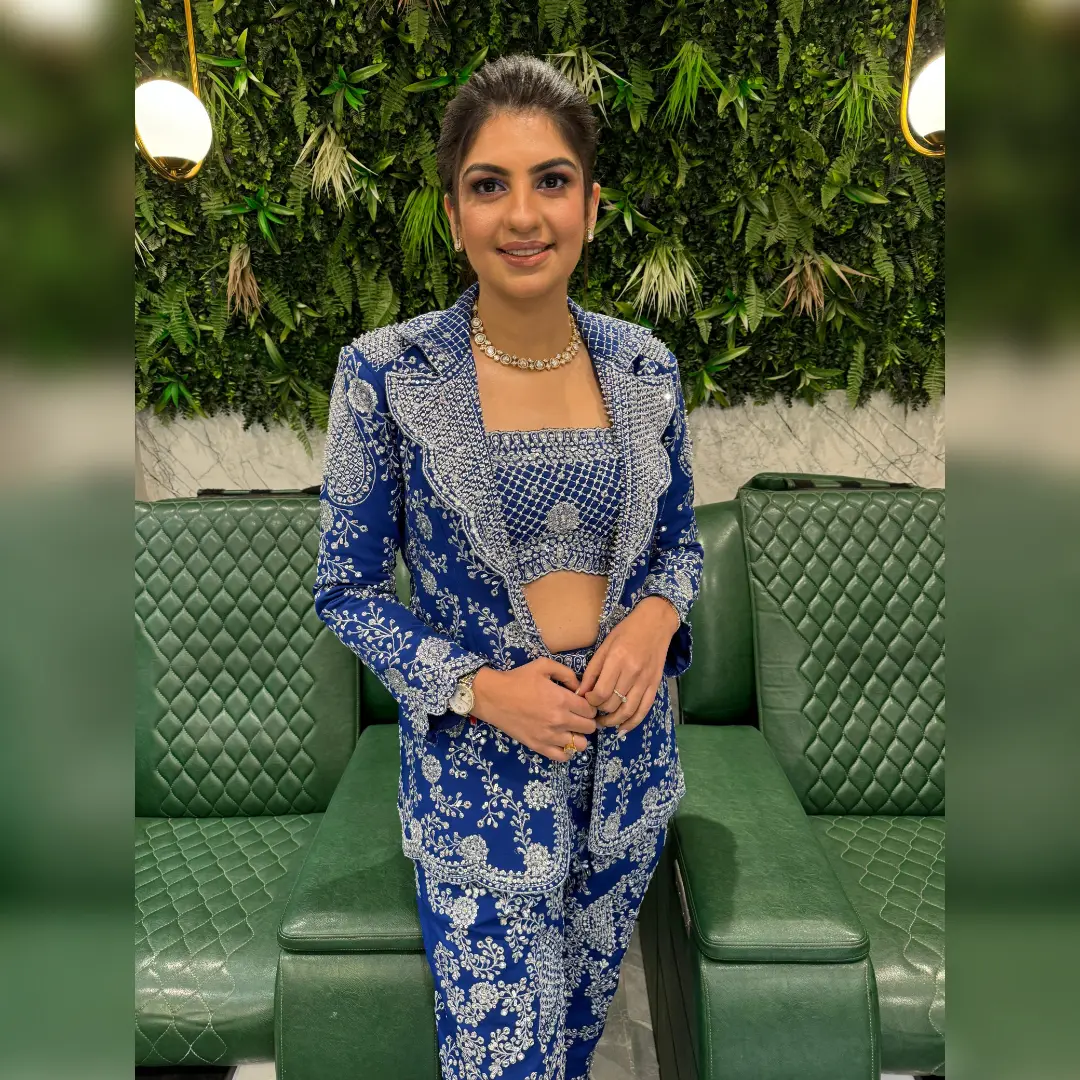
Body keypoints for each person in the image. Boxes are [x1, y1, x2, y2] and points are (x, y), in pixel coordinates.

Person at [313, 53, 703, 1080]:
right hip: (479, 794)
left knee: (573, 1048)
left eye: (551, 181)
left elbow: (678, 546)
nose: (523, 215)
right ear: (454, 215)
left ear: (591, 204)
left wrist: (656, 619)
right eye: (489, 185)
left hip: (625, 778)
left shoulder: (645, 365)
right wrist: (482, 690)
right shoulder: (387, 373)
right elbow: (346, 589)